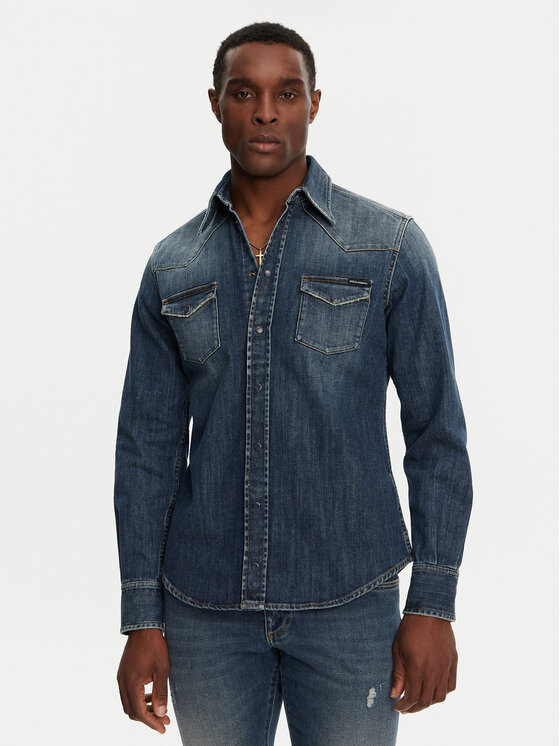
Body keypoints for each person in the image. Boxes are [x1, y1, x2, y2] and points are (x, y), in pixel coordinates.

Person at [114, 21, 473, 746]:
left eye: (286, 93)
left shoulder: (389, 247)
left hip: (351, 603)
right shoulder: (173, 266)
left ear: (315, 103)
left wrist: (433, 603)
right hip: (205, 612)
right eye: (244, 93)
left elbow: (436, 433)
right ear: (215, 104)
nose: (265, 113)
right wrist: (141, 618)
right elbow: (146, 452)